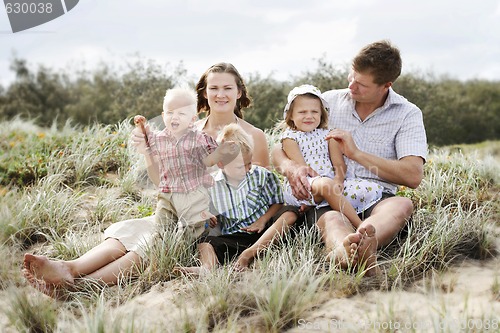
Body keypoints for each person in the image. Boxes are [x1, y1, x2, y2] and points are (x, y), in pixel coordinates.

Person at [22, 63, 271, 296]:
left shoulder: (253, 135)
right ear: (204, 93)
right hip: (179, 206)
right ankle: (71, 267)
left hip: (214, 222)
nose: (220, 94)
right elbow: (160, 178)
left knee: (153, 242)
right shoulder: (189, 129)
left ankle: (79, 286)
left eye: (228, 88)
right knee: (132, 231)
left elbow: (254, 188)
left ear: (239, 92)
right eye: (214, 88)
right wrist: (148, 153)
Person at [273, 40, 427, 276]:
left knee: (402, 204)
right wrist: (291, 168)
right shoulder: (327, 102)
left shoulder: (407, 114)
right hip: (327, 197)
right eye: (351, 77)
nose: (352, 86)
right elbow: (281, 145)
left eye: (361, 84)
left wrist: (356, 154)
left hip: (377, 196)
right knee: (333, 219)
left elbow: (413, 175)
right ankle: (345, 252)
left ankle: (365, 242)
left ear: (386, 85)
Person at [234, 84, 383, 269]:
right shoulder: (290, 137)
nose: (309, 116)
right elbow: (303, 170)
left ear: (322, 115)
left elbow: (339, 164)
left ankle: (355, 241)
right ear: (291, 116)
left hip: (325, 185)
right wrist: (326, 183)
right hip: (303, 186)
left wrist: (338, 179)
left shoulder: (329, 136)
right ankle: (361, 227)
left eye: (314, 111)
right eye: (302, 112)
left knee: (353, 187)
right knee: (326, 185)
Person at [175, 123, 283, 275]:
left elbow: (278, 202)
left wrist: (263, 220)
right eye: (240, 166)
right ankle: (207, 267)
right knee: (205, 243)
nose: (247, 169)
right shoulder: (211, 186)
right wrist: (207, 216)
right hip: (234, 237)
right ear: (221, 164)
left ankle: (253, 254)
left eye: (249, 163)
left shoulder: (262, 176)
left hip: (265, 233)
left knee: (285, 219)